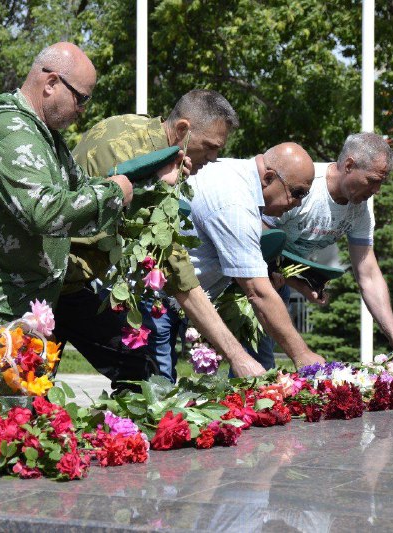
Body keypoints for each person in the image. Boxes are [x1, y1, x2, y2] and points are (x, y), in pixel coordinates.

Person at [0, 42, 183, 323]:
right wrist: (116, 192)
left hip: (28, 310)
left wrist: (152, 179)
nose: (82, 110)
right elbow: (45, 212)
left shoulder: (45, 137)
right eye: (81, 98)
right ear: (51, 83)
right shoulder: (11, 134)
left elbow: (83, 189)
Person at [61, 89, 265, 385]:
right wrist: (238, 357)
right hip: (51, 281)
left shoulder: (141, 133)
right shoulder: (138, 156)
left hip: (76, 282)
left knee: (137, 367)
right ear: (182, 129)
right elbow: (174, 267)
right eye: (209, 147)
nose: (213, 157)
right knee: (28, 387)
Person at [260, 132, 393, 366]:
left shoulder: (360, 211)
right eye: (372, 180)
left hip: (275, 282)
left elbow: (368, 273)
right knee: (255, 367)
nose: (377, 190)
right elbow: (257, 239)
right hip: (245, 278)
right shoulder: (303, 184)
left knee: (261, 366)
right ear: (349, 165)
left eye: (382, 182)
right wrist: (297, 282)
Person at [184, 143, 327, 370]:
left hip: (175, 300)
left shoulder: (242, 186)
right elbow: (257, 291)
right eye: (298, 193)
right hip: (150, 303)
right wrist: (302, 355)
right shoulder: (234, 201)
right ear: (269, 178)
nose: (298, 203)